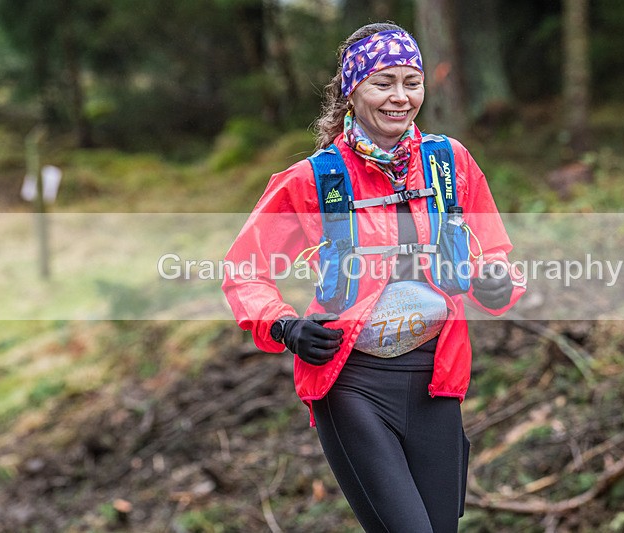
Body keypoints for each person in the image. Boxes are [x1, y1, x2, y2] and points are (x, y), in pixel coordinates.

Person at [222, 22, 525, 533]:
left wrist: (497, 282)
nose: (400, 97)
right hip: (352, 382)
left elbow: (492, 255)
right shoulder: (311, 180)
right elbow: (243, 269)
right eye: (383, 82)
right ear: (351, 90)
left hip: (437, 380)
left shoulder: (451, 164)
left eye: (412, 82)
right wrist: (284, 326)